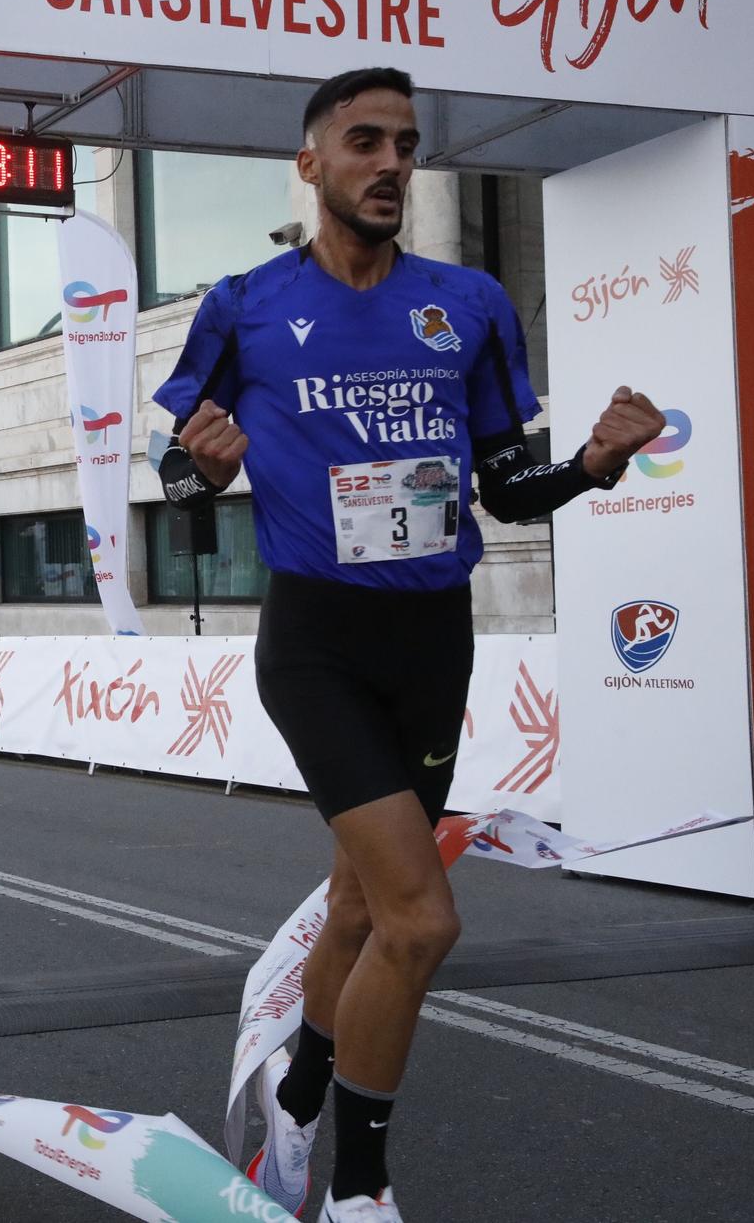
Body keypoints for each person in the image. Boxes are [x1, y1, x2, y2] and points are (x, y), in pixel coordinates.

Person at [154, 67, 666, 1223]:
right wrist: (202, 467)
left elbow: (506, 489)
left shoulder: (468, 302)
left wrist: (593, 463)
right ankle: (361, 1186)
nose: (388, 162)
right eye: (362, 142)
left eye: (404, 143)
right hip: (317, 641)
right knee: (419, 916)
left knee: (353, 903)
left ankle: (294, 1087)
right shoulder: (241, 303)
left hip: (434, 637)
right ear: (311, 164)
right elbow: (176, 467)